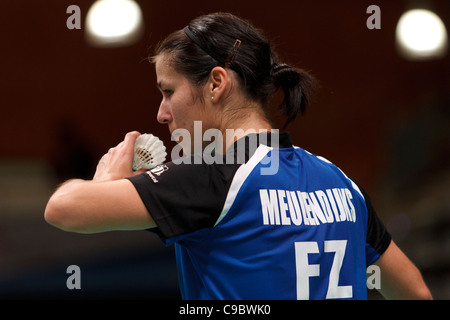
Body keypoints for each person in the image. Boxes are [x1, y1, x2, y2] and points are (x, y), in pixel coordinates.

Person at [45, 12, 432, 300]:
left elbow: (63, 208)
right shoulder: (340, 182)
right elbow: (414, 292)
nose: (161, 114)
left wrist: (105, 182)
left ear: (216, 83)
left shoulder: (210, 178)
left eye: (168, 91)